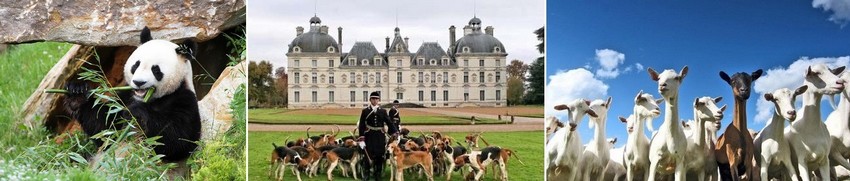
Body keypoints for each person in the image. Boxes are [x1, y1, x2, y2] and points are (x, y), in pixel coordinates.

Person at [358, 91, 398, 181]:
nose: (375, 101)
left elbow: (389, 122)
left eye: (376, 99)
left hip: (380, 136)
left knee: (379, 156)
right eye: (373, 99)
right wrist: (361, 138)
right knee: (367, 155)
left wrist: (395, 131)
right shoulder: (365, 111)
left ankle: (378, 175)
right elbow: (362, 125)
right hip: (369, 136)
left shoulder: (383, 111)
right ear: (370, 100)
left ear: (378, 100)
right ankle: (366, 175)